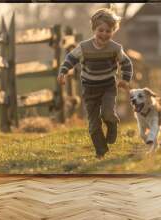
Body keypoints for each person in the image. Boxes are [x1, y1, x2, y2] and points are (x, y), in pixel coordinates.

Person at [57, 8, 133, 158]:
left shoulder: (115, 48)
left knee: (108, 113)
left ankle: (112, 124)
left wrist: (125, 79)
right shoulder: (84, 47)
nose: (104, 34)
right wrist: (63, 72)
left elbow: (126, 63)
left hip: (108, 87)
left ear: (113, 31)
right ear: (94, 29)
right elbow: (70, 59)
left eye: (108, 31)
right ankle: (100, 150)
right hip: (89, 89)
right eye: (101, 30)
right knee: (93, 124)